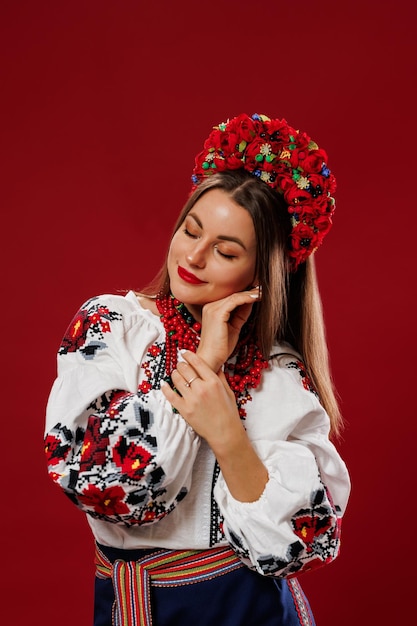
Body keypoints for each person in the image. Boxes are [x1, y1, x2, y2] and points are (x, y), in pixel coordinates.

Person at [44, 112, 351, 626]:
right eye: (191, 230)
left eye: (226, 251)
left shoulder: (277, 369)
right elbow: (109, 486)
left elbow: (299, 545)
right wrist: (206, 361)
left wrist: (228, 432)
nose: (195, 256)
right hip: (139, 607)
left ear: (261, 276)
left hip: (255, 611)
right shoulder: (112, 325)